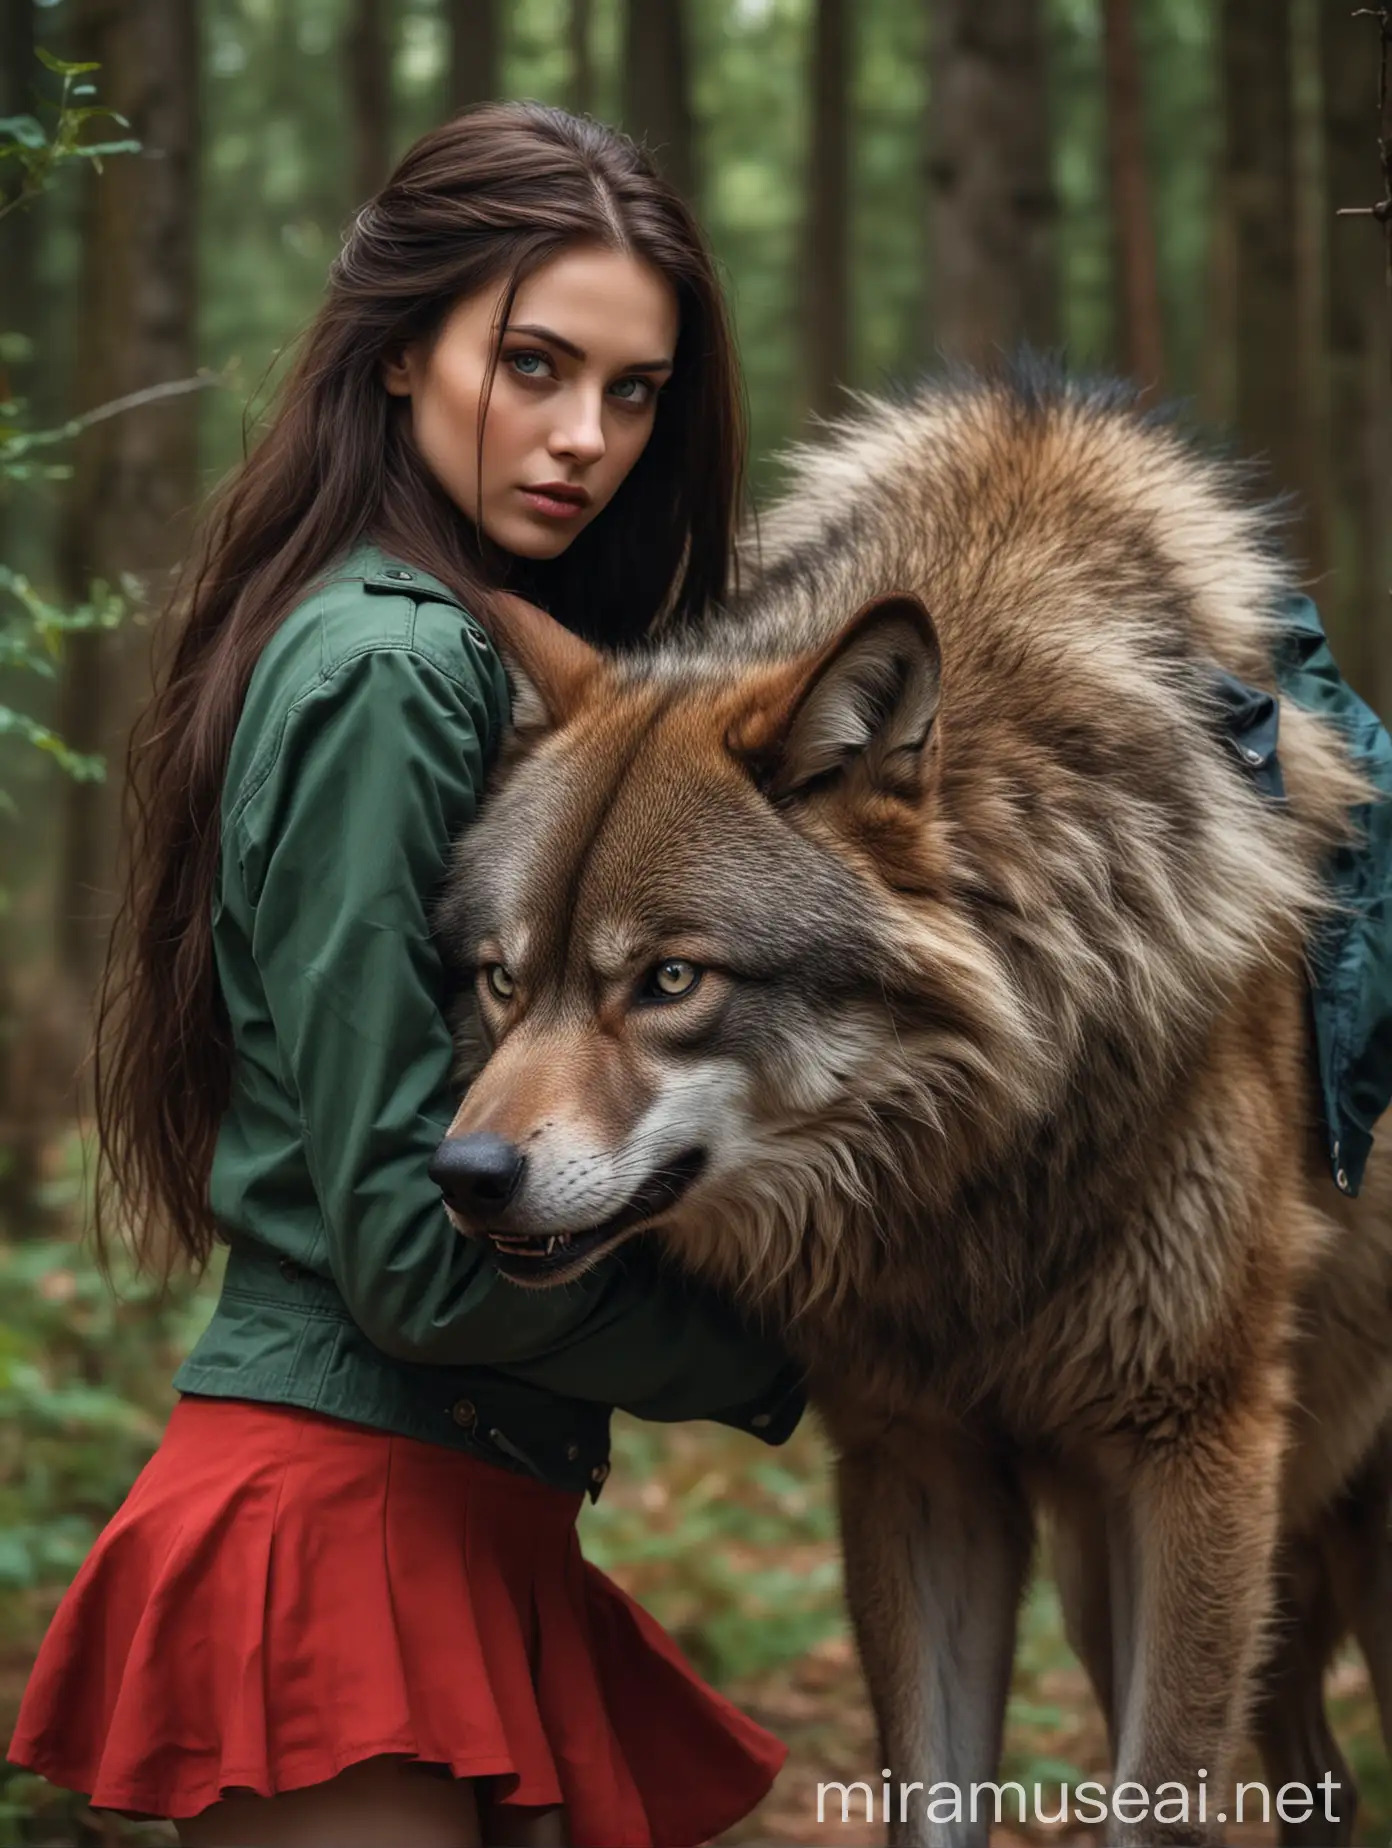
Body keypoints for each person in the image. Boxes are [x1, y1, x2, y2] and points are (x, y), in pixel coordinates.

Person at [7, 102, 805, 1848]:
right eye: (531, 364)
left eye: (633, 390)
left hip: (447, 1499)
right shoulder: (399, 667)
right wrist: (795, 1347)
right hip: (347, 1514)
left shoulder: (462, 651)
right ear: (395, 352)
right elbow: (412, 1248)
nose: (583, 437)